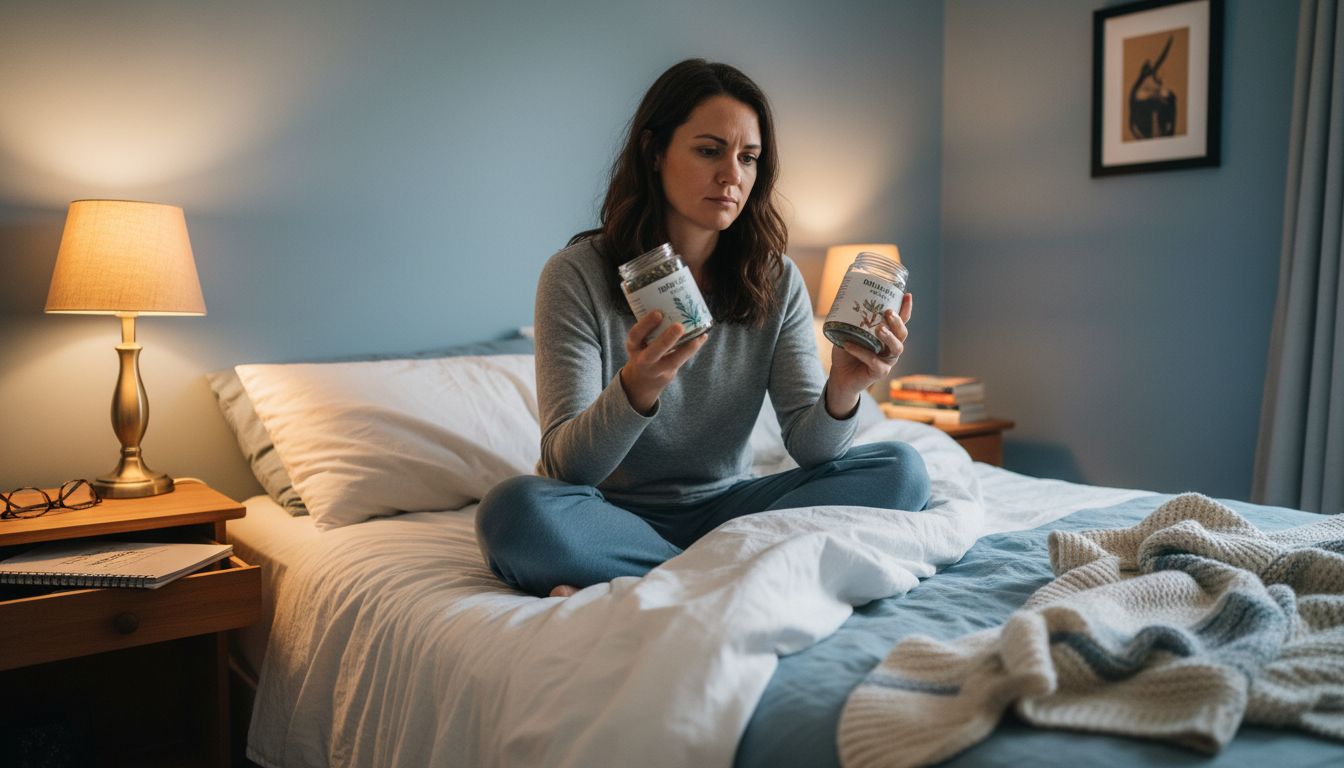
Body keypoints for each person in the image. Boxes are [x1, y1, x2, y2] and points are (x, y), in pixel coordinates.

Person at [476, 58, 930, 598]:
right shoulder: (575, 275)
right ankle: (732, 572)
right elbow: (569, 468)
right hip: (609, 515)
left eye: (748, 158)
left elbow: (811, 452)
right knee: (514, 512)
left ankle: (657, 575)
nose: (732, 175)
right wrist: (637, 386)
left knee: (902, 470)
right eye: (709, 150)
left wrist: (844, 389)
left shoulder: (776, 278)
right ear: (654, 151)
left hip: (732, 512)